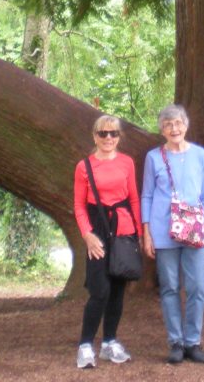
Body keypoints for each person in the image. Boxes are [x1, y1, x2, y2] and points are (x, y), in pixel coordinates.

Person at [141, 104, 204, 364]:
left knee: (198, 286)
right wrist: (147, 232)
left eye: (178, 123)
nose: (174, 128)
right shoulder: (154, 158)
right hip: (163, 231)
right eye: (168, 124)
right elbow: (147, 194)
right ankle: (176, 341)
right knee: (170, 287)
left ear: (186, 125)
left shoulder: (199, 155)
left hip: (195, 230)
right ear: (162, 129)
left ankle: (193, 341)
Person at [73, 114, 142, 369]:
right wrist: (87, 235)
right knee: (99, 290)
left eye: (113, 133)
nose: (108, 138)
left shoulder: (127, 163)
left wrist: (138, 234)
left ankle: (110, 342)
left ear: (119, 137)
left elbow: (133, 198)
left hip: (123, 228)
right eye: (103, 133)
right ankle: (85, 345)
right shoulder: (85, 166)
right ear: (95, 136)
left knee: (116, 290)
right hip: (97, 227)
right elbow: (79, 205)